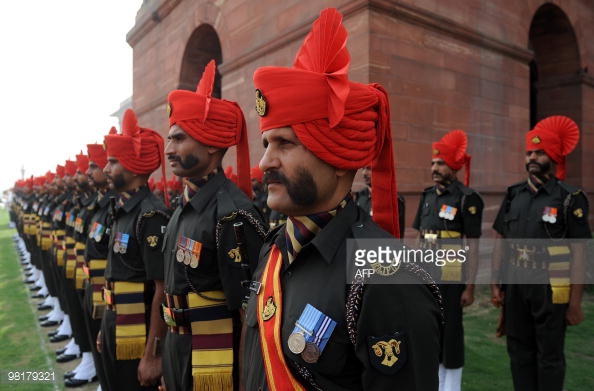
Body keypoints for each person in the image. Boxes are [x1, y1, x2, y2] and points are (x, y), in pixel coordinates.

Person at [242, 8, 442, 390]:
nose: (266, 161)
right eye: (266, 143)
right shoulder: (275, 249)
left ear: (337, 159)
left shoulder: (387, 278)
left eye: (285, 143)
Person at [161, 59, 267, 391]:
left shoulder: (231, 214)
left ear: (210, 143)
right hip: (178, 349)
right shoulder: (184, 207)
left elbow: (247, 317)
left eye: (179, 139)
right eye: (169, 139)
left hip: (215, 364)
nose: (169, 150)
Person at [491, 115, 591, 391]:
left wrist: (575, 302)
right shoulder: (514, 195)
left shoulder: (570, 198)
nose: (532, 157)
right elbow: (501, 239)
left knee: (549, 356)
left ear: (554, 155)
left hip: (552, 287)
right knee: (518, 352)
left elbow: (580, 253)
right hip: (517, 286)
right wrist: (496, 283)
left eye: (540, 152)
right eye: (529, 152)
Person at [97, 108, 170, 390]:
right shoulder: (123, 209)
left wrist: (152, 354)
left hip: (138, 335)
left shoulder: (150, 215)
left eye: (113, 162)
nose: (105, 169)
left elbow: (162, 289)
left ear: (134, 167)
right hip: (116, 324)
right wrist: (106, 324)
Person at [412, 130, 483, 391]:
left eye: (440, 163)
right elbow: (420, 238)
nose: (434, 168)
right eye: (433, 163)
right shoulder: (428, 196)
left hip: (452, 272)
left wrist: (470, 286)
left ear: (453, 166)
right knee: (429, 330)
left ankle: (451, 387)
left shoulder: (467, 198)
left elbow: (472, 245)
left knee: (451, 333)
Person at [355, 165, 406, 237]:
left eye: (369, 169)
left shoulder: (392, 199)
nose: (364, 173)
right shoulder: (361, 196)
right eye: (363, 168)